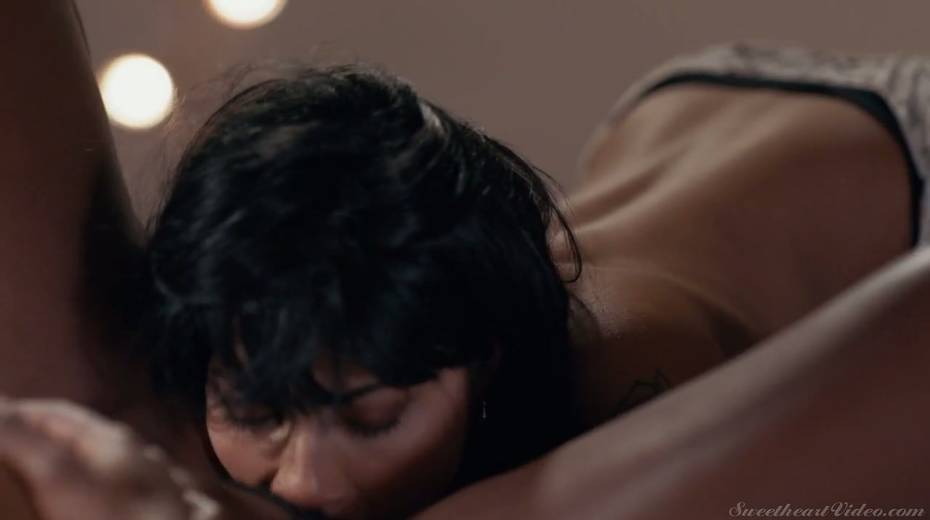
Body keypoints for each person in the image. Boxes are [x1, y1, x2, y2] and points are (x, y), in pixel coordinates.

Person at [1, 2, 929, 519]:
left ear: (488, 361)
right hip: (702, 120)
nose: (309, 483)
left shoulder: (633, 382)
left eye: (374, 419)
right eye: (258, 412)